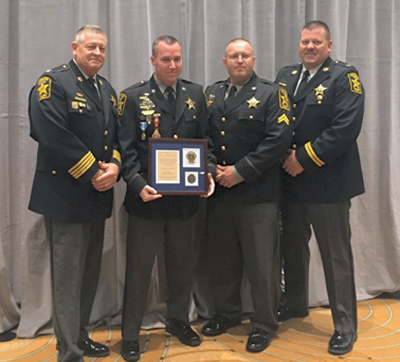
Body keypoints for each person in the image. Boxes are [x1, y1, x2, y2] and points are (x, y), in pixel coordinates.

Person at [118, 35, 215, 362]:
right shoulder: (132, 98)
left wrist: (207, 173)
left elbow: (206, 141)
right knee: (139, 271)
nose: (172, 65)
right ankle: (130, 333)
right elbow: (126, 149)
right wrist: (135, 182)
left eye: (177, 59)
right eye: (165, 60)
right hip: (146, 200)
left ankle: (178, 321)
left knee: (181, 268)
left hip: (184, 202)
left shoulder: (195, 95)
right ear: (153, 60)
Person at [28, 25, 120, 362]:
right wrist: (94, 171)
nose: (97, 53)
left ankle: (78, 337)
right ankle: (68, 351)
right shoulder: (53, 83)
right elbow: (50, 131)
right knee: (67, 279)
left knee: (87, 276)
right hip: (65, 197)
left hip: (97, 197)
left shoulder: (107, 91)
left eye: (102, 48)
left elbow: (117, 139)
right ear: (75, 47)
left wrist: (114, 168)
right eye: (91, 46)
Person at [275, 20, 365, 355]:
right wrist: (283, 155)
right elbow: (278, 122)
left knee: (335, 257)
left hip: (328, 185)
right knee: (293, 251)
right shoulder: (286, 76)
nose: (309, 47)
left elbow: (345, 128)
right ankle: (296, 303)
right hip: (291, 183)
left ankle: (345, 325)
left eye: (316, 42)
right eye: (304, 42)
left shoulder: (344, 77)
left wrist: (303, 158)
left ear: (328, 46)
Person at [201, 38, 293, 353]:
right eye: (233, 56)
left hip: (258, 194)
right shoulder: (210, 94)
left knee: (262, 264)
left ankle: (264, 324)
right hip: (220, 195)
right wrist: (213, 169)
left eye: (245, 55)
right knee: (222, 261)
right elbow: (203, 137)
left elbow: (279, 140)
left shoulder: (273, 93)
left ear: (254, 59)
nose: (239, 60)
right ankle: (226, 314)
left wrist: (238, 172)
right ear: (224, 61)